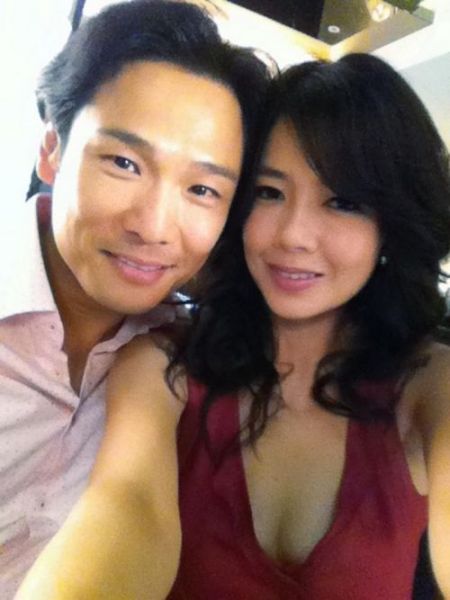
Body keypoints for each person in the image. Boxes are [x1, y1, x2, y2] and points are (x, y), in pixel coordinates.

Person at [19, 54, 450, 599]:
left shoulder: (429, 384)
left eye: (342, 202)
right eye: (269, 192)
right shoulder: (161, 366)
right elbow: (126, 509)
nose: (293, 236)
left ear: (392, 225)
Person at [0, 0, 270, 597]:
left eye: (203, 190)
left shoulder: (181, 349)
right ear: (52, 148)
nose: (153, 226)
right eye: (124, 163)